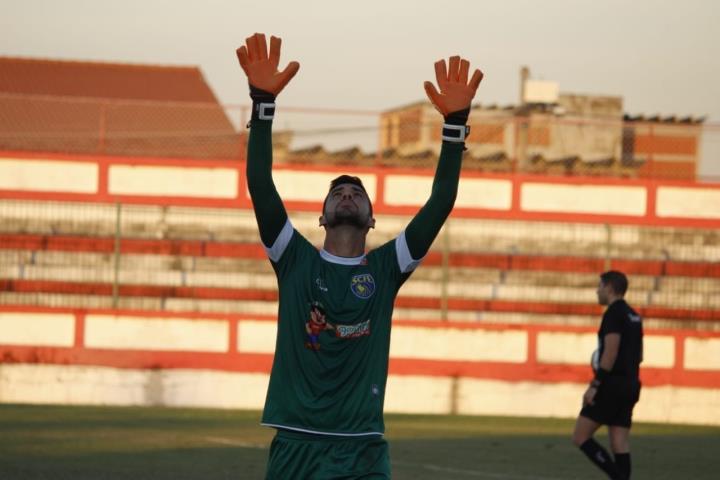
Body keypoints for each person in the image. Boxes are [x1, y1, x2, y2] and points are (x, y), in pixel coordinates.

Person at [236, 33, 483, 479]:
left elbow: (441, 201)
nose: (347, 196)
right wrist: (262, 104)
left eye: (356, 193)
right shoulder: (293, 258)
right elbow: (260, 183)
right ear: (322, 217)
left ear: (371, 220)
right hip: (297, 442)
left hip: (363, 447)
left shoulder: (387, 268)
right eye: (338, 193)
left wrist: (455, 126)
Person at [572, 270, 643, 480]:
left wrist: (596, 384)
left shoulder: (613, 313)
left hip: (612, 384)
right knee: (619, 441)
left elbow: (611, 350)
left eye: (600, 286)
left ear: (610, 288)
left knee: (580, 436)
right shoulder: (634, 316)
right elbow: (639, 356)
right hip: (631, 384)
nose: (597, 291)